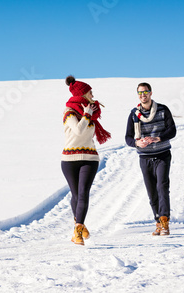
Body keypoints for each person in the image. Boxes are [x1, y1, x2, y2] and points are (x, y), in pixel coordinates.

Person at [61, 75, 111, 245]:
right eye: (90, 92)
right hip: (69, 159)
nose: (92, 95)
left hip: (90, 158)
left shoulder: (92, 113)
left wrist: (90, 113)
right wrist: (87, 113)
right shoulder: (69, 113)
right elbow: (78, 130)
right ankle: (79, 225)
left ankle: (78, 230)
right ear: (82, 94)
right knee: (75, 194)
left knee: (83, 193)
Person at [125, 82, 176, 236]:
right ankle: (158, 222)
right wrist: (136, 142)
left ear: (151, 93)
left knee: (162, 186)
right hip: (144, 157)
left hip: (162, 155)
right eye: (140, 93)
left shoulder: (163, 109)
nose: (143, 95)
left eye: (146, 92)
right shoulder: (134, 114)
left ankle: (165, 220)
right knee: (151, 191)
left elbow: (172, 130)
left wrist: (159, 138)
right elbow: (127, 137)